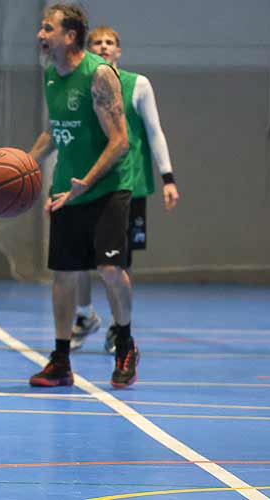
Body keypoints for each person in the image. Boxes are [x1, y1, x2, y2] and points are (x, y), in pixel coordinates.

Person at [26, 4, 138, 388]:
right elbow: (54, 130)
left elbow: (120, 141)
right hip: (67, 189)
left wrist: (86, 183)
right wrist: (22, 166)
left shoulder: (99, 74)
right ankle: (60, 360)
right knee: (64, 275)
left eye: (48, 28)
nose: (40, 35)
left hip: (106, 187)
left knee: (109, 269)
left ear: (70, 35)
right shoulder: (50, 74)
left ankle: (125, 343)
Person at [70, 26, 181, 353]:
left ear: (118, 50)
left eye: (110, 42)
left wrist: (168, 177)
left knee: (119, 262)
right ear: (87, 49)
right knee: (76, 255)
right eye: (97, 42)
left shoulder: (138, 84)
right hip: (87, 181)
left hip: (128, 184)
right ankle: (84, 315)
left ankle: (119, 326)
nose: (104, 46)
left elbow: (155, 131)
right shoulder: (77, 85)